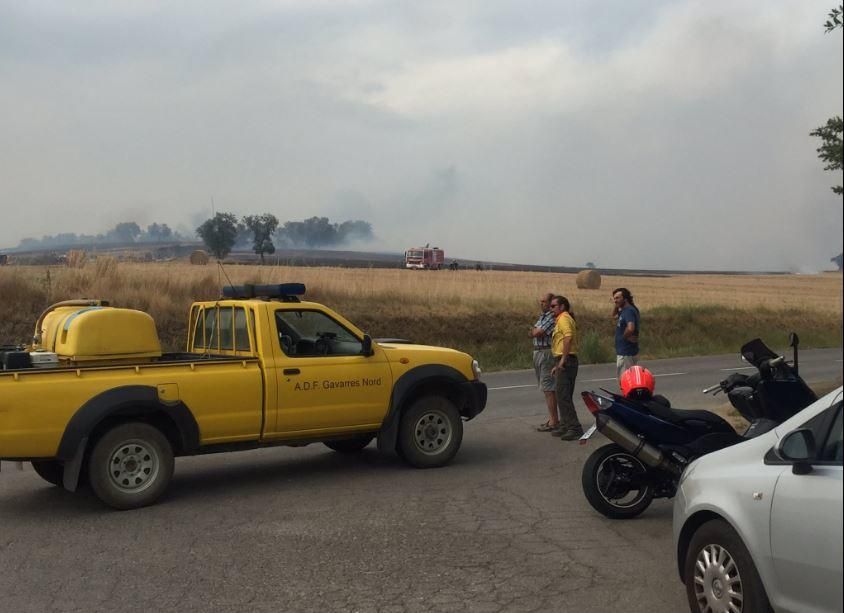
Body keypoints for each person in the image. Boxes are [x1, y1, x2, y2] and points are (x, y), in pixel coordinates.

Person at [549, 295, 583, 441]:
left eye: (553, 306)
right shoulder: (562, 319)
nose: (551, 309)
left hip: (566, 360)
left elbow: (568, 338)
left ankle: (574, 428)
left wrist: (562, 360)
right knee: (562, 394)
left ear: (562, 306)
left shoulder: (563, 318)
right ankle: (565, 424)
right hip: (563, 359)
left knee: (563, 395)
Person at [530, 293, 558, 432]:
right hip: (538, 351)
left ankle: (554, 421)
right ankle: (553, 418)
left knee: (548, 388)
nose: (542, 304)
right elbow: (533, 331)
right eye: (540, 301)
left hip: (546, 352)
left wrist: (534, 331)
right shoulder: (543, 316)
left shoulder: (552, 317)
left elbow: (537, 332)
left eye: (544, 301)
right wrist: (534, 331)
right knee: (545, 387)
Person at [612, 287, 640, 384]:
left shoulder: (628, 311)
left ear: (625, 299)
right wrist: (617, 305)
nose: (615, 300)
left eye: (618, 298)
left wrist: (624, 337)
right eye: (614, 298)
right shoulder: (624, 310)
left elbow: (630, 327)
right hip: (626, 352)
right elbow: (613, 316)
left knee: (625, 382)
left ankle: (626, 399)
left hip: (626, 353)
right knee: (628, 381)